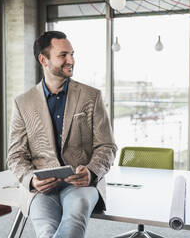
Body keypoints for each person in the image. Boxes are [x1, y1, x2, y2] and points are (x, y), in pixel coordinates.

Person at [7, 31, 117, 238]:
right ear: (43, 60)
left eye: (72, 54)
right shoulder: (23, 102)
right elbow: (15, 155)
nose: (71, 60)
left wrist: (92, 172)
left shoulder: (91, 96)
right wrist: (31, 180)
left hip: (82, 183)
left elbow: (107, 146)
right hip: (42, 187)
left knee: (74, 220)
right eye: (63, 55)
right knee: (46, 231)